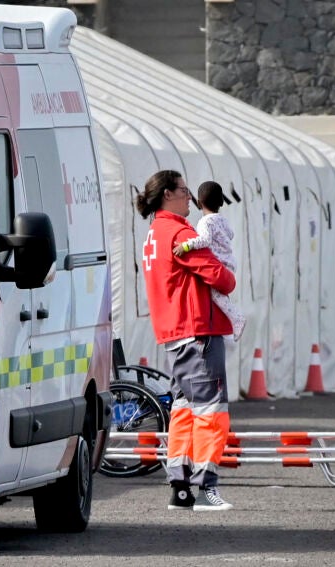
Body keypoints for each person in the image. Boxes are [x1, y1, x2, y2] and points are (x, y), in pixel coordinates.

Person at [135, 169, 236, 512]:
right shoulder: (179, 231)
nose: (189, 196)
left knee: (183, 409)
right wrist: (229, 274)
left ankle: (180, 488)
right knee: (211, 410)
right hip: (198, 331)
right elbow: (221, 278)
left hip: (174, 334)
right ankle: (206, 488)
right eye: (183, 190)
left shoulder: (154, 233)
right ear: (167, 194)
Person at [172, 181, 246, 341]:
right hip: (229, 263)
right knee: (220, 295)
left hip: (220, 264)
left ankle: (236, 318)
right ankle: (231, 321)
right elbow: (231, 234)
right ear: (221, 202)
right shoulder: (222, 220)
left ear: (199, 203)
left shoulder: (205, 222)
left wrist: (186, 246)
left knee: (215, 294)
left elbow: (204, 240)